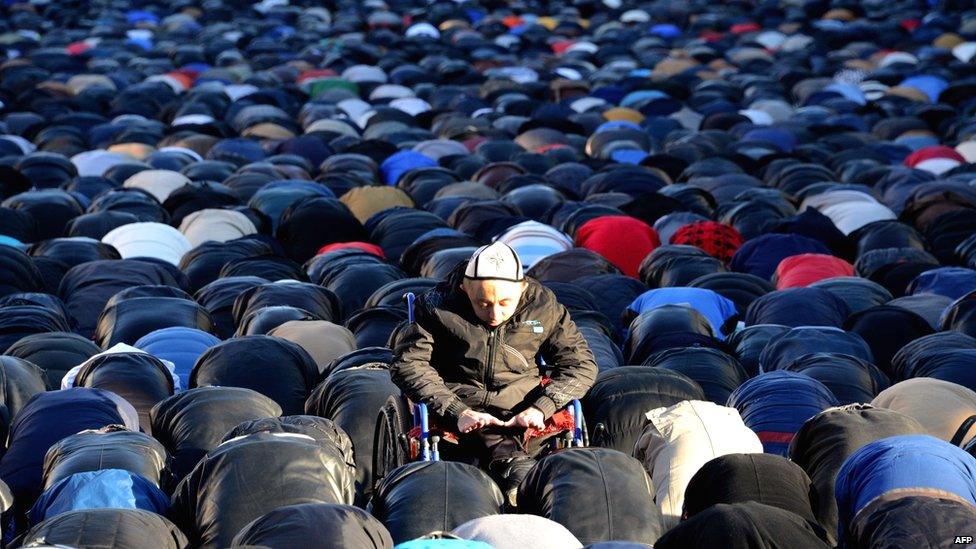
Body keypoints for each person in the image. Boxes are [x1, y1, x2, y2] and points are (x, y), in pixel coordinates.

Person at [390, 242, 598, 503]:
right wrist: (457, 411)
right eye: (483, 303)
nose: (495, 313)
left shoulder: (543, 305)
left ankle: (512, 474)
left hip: (523, 398)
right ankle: (515, 469)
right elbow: (409, 364)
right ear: (465, 289)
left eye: (504, 303)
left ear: (522, 290)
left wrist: (541, 407)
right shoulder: (435, 305)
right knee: (479, 437)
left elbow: (581, 365)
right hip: (458, 396)